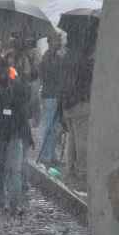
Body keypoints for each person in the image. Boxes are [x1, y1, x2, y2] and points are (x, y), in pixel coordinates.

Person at [0, 57, 33, 216]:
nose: (1, 73)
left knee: (10, 170)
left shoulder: (17, 87)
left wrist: (28, 135)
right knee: (0, 171)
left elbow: (23, 113)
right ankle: (0, 204)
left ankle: (12, 205)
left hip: (11, 134)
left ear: (8, 70)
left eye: (4, 69)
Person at [61, 30, 95, 182]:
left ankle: (69, 169)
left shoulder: (65, 58)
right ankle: (82, 170)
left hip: (67, 103)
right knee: (82, 140)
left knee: (72, 139)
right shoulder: (84, 61)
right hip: (80, 102)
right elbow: (88, 81)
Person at [38, 32, 64, 165]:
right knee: (48, 126)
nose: (59, 43)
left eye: (59, 40)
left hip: (54, 95)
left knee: (54, 128)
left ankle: (51, 154)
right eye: (57, 40)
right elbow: (49, 78)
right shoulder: (47, 58)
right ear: (50, 42)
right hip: (50, 95)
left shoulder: (56, 57)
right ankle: (45, 155)